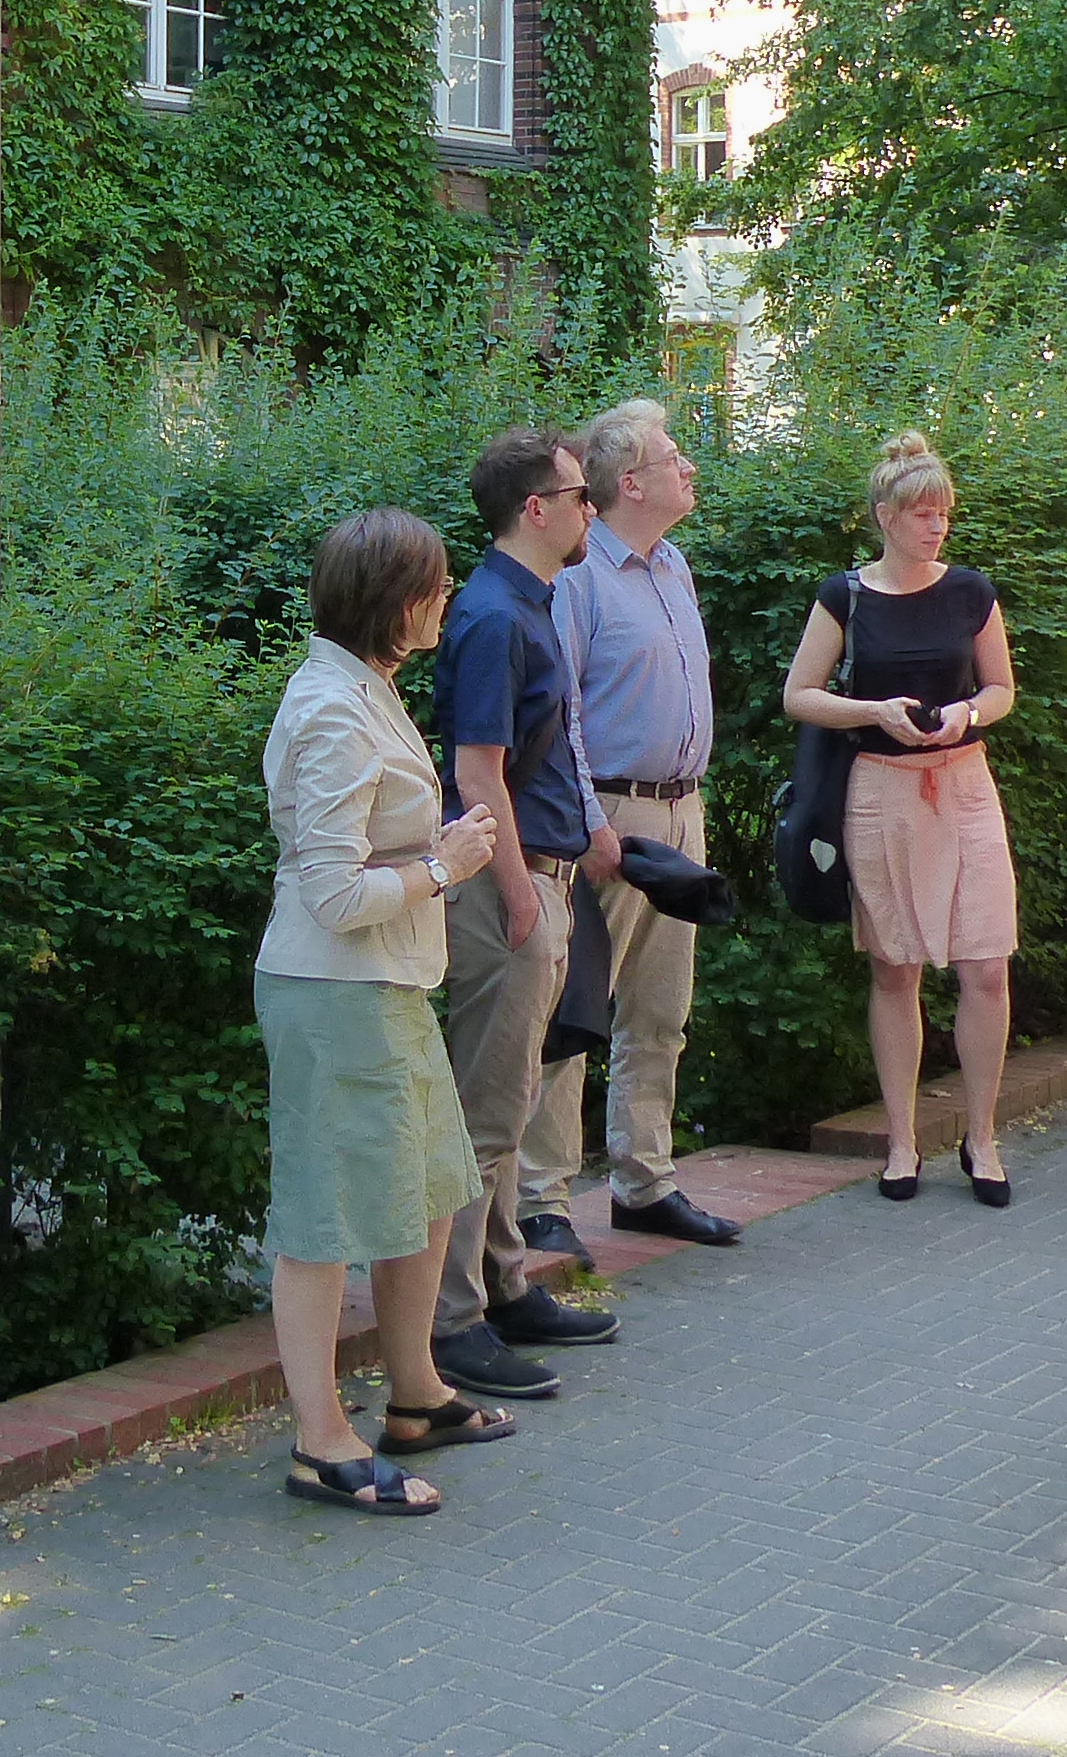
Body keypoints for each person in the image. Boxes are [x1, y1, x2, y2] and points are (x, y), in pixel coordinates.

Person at [256, 506, 507, 1513]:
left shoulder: (363, 686)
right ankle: (320, 1443)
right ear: (400, 604)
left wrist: (433, 858)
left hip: (386, 984)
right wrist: (444, 867)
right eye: (438, 587)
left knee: (428, 1186)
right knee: (323, 1216)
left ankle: (415, 1396)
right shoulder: (330, 707)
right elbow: (330, 894)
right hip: (335, 991)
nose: (448, 600)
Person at [518, 398, 742, 1254]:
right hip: (608, 818)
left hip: (681, 810)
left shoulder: (673, 565)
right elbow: (560, 712)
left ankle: (644, 1183)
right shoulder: (578, 578)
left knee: (660, 1012)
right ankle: (540, 1201)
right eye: (673, 455)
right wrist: (588, 825)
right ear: (630, 483)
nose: (689, 466)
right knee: (572, 1013)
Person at [428, 426, 623, 1401]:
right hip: (507, 888)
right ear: (535, 509)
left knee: (507, 1105)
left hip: (540, 876)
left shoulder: (527, 602)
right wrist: (516, 895)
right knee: (484, 1113)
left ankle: (502, 1284)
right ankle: (449, 1322)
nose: (594, 509)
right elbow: (476, 775)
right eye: (582, 496)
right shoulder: (494, 617)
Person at [780, 430, 1023, 1204]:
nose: (937, 525)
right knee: (894, 966)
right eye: (922, 513)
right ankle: (902, 1143)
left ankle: (981, 1139)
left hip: (964, 785)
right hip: (880, 789)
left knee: (987, 966)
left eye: (943, 512)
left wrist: (967, 714)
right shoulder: (843, 595)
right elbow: (799, 695)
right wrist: (873, 712)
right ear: (885, 516)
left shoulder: (972, 591)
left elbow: (1001, 690)